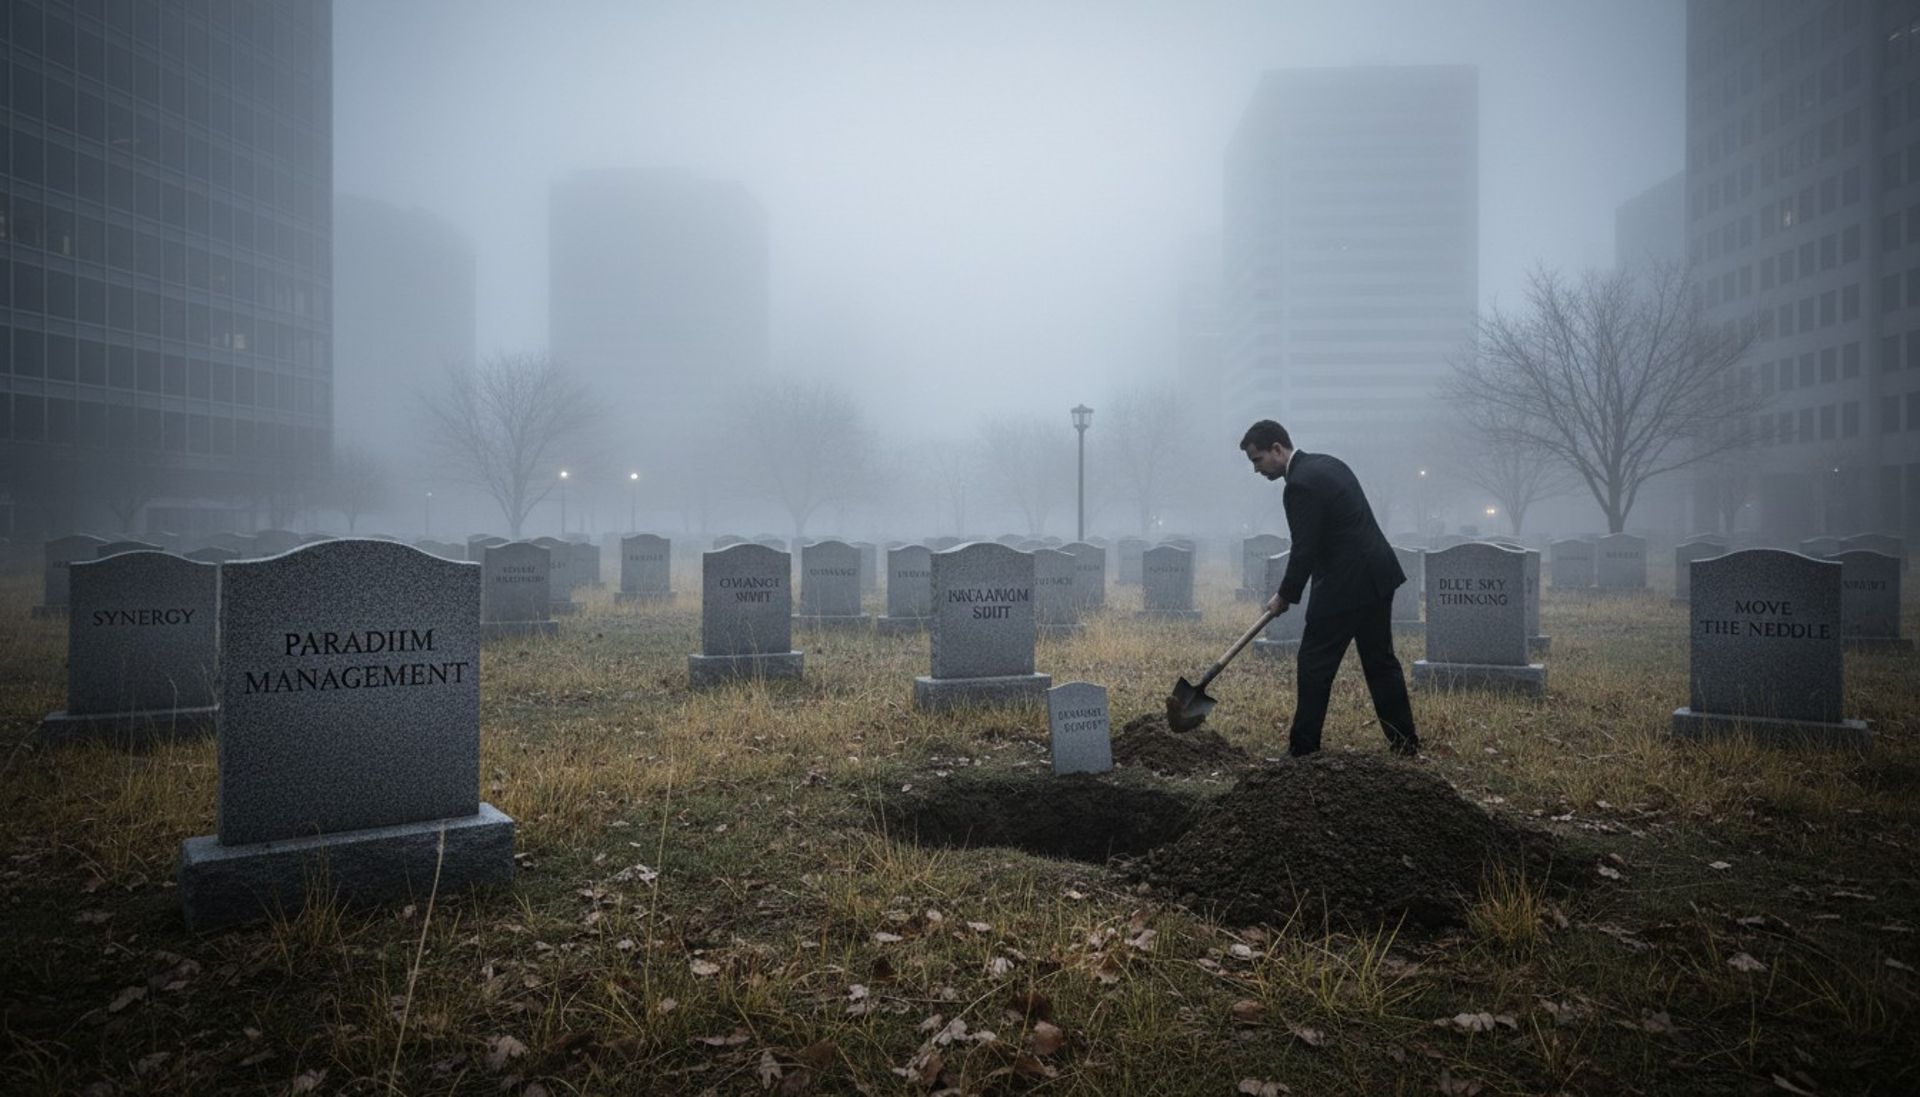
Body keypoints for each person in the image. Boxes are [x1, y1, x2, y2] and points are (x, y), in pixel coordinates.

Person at [1241, 419, 1419, 757]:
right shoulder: (1328, 463)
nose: (1256, 470)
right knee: (1381, 662)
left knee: (1314, 665)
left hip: (1345, 586)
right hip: (1378, 574)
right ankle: (1405, 744)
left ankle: (1303, 750)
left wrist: (1284, 596)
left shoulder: (1299, 485)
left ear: (1277, 449)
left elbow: (1305, 548)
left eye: (1257, 460)